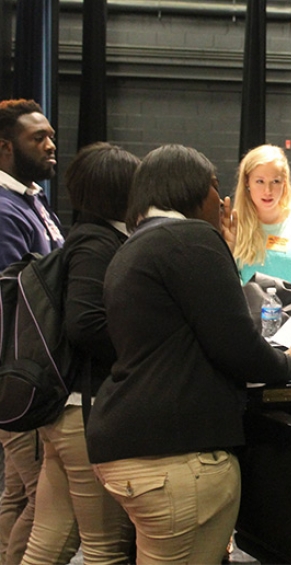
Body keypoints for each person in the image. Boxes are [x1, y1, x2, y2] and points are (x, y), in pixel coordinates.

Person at [84, 144, 291, 563]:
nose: (221, 201)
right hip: (175, 454)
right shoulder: (190, 237)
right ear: (191, 188)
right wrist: (288, 364)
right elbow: (237, 344)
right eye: (214, 187)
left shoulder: (136, 245)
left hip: (126, 442)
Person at [19, 143, 138, 564]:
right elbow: (85, 323)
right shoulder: (97, 242)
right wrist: (138, 353)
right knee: (104, 548)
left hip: (67, 414)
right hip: (83, 415)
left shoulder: (88, 236)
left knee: (48, 545)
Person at [0, 99, 63, 565]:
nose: (50, 145)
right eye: (37, 138)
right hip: (18, 372)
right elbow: (17, 295)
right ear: (5, 148)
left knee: (20, 494)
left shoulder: (31, 199)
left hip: (26, 370)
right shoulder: (3, 211)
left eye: (50, 136)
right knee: (43, 499)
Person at [228, 144, 291, 290]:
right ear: (247, 182)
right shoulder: (233, 226)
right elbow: (229, 280)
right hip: (246, 311)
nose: (268, 191)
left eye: (275, 181)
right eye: (260, 181)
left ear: (284, 183)